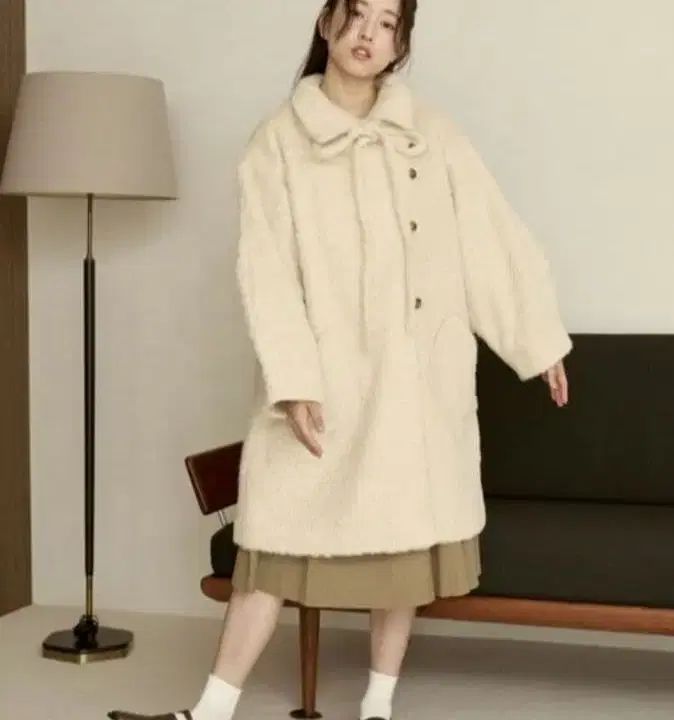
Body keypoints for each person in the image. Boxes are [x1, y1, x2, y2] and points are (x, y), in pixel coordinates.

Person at [108, 0, 571, 719]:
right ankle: (210, 712)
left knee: (405, 547)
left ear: (400, 43)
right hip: (324, 377)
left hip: (416, 378)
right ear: (326, 23)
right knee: (270, 544)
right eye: (357, 15)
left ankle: (377, 706)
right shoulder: (277, 142)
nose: (368, 34)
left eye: (387, 23)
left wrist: (535, 340)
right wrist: (294, 381)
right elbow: (266, 270)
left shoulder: (431, 134)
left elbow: (488, 236)